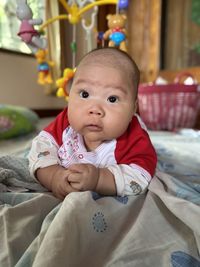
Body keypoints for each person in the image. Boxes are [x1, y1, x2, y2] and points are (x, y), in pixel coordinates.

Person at [28, 47, 157, 200]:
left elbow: (140, 175)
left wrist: (99, 179)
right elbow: (41, 148)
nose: (95, 109)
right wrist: (53, 176)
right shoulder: (65, 122)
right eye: (85, 94)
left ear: (132, 109)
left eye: (112, 99)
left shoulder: (134, 138)